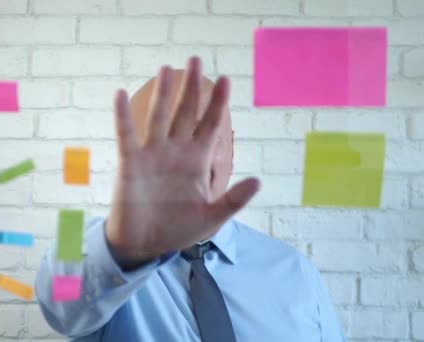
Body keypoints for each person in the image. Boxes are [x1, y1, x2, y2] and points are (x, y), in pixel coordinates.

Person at [35, 56, 346, 341]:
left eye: (202, 136)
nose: (185, 160)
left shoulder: (296, 273)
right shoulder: (91, 254)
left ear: (232, 148)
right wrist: (127, 250)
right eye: (163, 142)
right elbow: (61, 303)